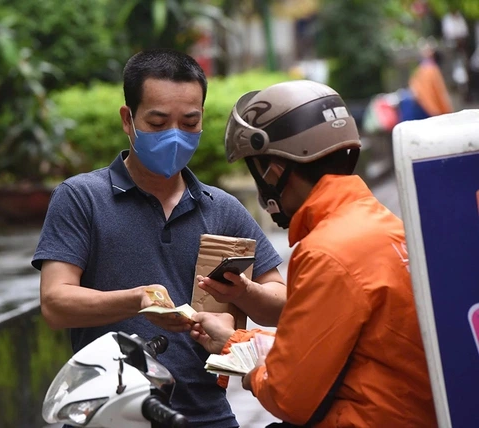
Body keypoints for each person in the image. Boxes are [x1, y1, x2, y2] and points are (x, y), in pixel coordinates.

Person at [32, 48, 286, 427]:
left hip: (207, 413)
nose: (175, 135)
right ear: (128, 120)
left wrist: (243, 292)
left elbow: (282, 303)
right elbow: (56, 302)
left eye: (189, 122)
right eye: (158, 121)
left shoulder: (223, 209)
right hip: (112, 413)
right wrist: (138, 300)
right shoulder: (81, 198)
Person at [190, 80, 437, 427]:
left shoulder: (326, 252)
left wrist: (246, 370)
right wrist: (235, 340)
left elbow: (287, 395)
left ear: (274, 171)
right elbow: (322, 343)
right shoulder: (384, 224)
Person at [408, 40, 453, 119]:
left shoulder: (430, 69)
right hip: (422, 104)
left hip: (429, 106)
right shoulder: (424, 67)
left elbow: (437, 90)